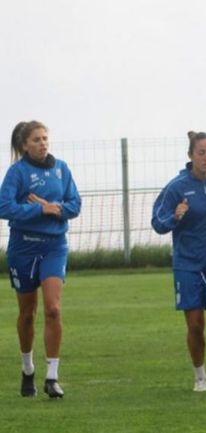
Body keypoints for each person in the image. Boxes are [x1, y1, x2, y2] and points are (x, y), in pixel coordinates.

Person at [151, 131, 206, 392]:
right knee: (195, 325)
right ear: (190, 156)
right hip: (188, 264)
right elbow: (158, 222)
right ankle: (199, 374)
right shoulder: (176, 187)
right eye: (201, 152)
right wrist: (175, 217)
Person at [0, 121, 81, 398]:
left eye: (45, 138)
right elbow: (4, 206)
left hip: (54, 247)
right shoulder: (17, 172)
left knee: (53, 309)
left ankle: (52, 377)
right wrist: (38, 210)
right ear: (24, 145)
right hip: (23, 249)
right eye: (36, 139)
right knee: (27, 314)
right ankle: (27, 369)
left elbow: (75, 204)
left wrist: (55, 209)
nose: (42, 143)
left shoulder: (62, 169)